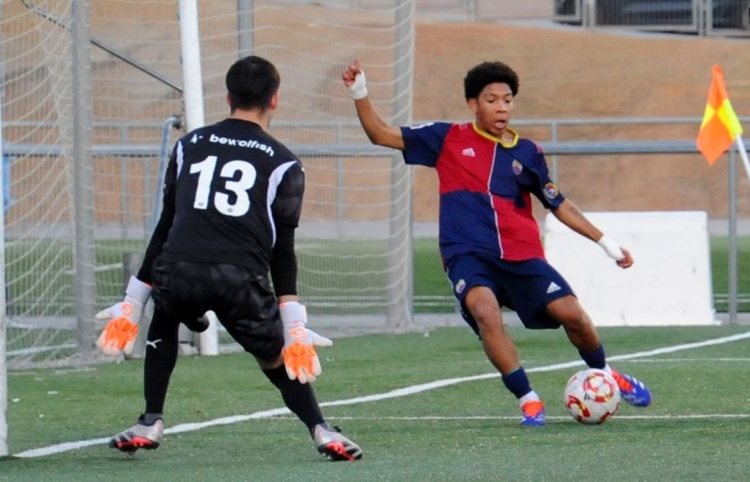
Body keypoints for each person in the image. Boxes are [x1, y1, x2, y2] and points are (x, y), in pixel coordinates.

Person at [341, 59, 651, 426]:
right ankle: (529, 400)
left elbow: (559, 203)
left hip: (522, 256)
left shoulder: (528, 152)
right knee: (485, 311)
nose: (501, 107)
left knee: (572, 315)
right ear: (473, 104)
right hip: (467, 254)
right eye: (491, 100)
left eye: (507, 99)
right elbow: (381, 134)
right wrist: (360, 92)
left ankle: (605, 373)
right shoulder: (446, 138)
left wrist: (607, 244)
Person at [95, 55, 362, 461]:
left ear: (227, 96)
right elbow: (282, 249)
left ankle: (151, 420)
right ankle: (322, 430)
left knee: (166, 315)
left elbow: (166, 224)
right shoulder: (284, 162)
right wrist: (293, 324)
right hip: (238, 279)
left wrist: (134, 300)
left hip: (179, 269)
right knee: (274, 357)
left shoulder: (189, 145)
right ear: (275, 99)